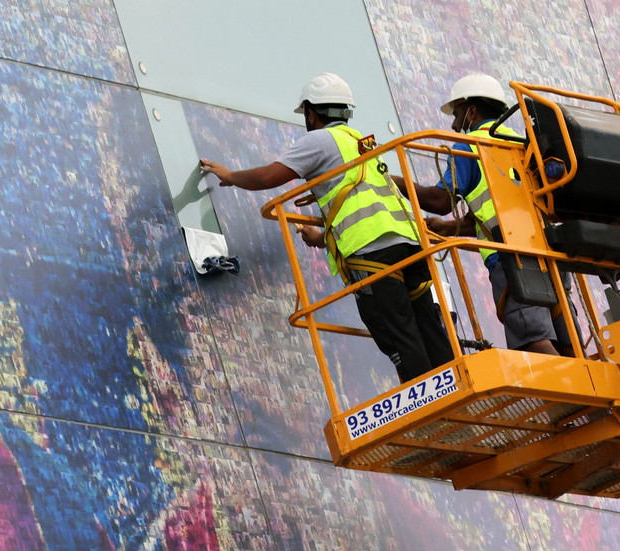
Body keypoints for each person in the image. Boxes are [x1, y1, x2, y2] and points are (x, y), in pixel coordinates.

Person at [200, 72, 454, 382]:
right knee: (429, 326)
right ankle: (458, 396)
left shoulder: (318, 141)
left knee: (400, 335)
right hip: (409, 245)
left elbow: (269, 177)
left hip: (372, 254)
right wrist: (322, 237)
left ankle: (431, 411)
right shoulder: (360, 143)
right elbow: (361, 206)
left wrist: (230, 176)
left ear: (311, 112)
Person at [395, 73, 572, 356]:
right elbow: (504, 209)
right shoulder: (520, 143)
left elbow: (440, 200)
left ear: (472, 111)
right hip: (550, 253)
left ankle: (572, 399)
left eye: (457, 113)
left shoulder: (470, 145)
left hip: (513, 259)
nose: (454, 124)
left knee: (532, 340)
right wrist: (450, 228)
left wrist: (396, 181)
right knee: (567, 342)